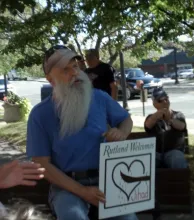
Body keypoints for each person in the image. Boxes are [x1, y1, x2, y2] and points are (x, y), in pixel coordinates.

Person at [26, 45, 137, 220]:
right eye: (65, 70)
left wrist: (121, 133)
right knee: (73, 217)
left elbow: (126, 119)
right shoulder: (40, 114)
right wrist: (83, 192)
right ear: (50, 80)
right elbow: (42, 165)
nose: (75, 73)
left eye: (76, 66)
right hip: (67, 187)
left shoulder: (99, 97)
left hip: (108, 179)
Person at [144, 87, 188, 168]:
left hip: (174, 152)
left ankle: (182, 180)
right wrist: (158, 115)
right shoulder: (151, 117)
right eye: (160, 100)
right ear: (154, 103)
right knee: (147, 161)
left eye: (166, 98)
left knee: (176, 159)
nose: (165, 102)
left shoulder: (178, 115)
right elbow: (148, 125)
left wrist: (169, 119)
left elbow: (182, 126)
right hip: (156, 153)